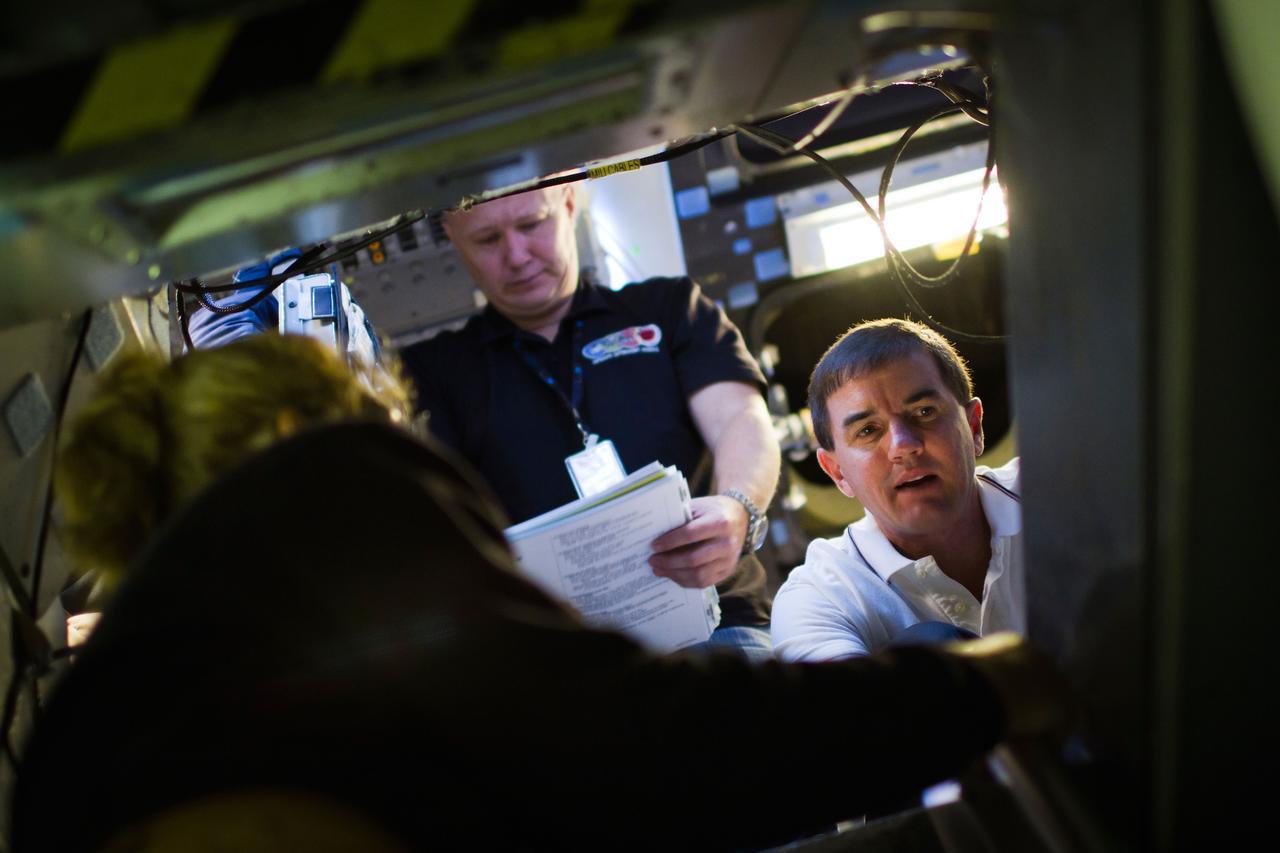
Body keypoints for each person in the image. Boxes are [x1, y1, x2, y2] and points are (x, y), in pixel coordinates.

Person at [16, 333, 1064, 852]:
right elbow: (656, 748)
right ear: (310, 435)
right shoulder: (332, 482)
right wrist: (989, 688)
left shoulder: (76, 742)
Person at [400, 185, 780, 658]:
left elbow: (739, 417)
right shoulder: (432, 372)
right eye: (487, 239)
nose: (516, 256)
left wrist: (738, 508)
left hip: (719, 624)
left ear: (569, 203)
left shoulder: (670, 309)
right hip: (562, 660)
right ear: (452, 237)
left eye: (531, 224)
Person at [771, 318, 1024, 662]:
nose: (903, 446)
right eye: (868, 430)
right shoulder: (820, 596)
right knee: (931, 648)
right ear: (837, 472)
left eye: (924, 411)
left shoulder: (1062, 495)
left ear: (974, 426)